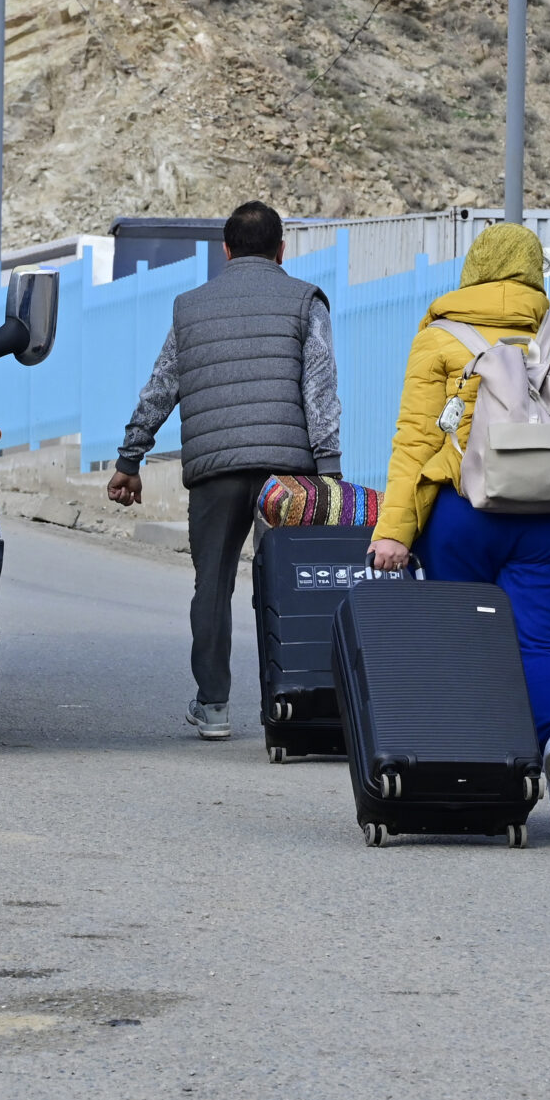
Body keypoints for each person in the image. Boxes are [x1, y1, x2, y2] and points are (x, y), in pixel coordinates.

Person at [366, 224, 550, 840]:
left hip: (465, 516)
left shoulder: (438, 337)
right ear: (536, 271)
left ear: (474, 269)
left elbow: (415, 442)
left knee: (468, 646)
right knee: (542, 646)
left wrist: (394, 533)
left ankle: (476, 772)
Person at [109, 201, 341, 741]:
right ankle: (287, 701)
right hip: (289, 475)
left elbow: (162, 386)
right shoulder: (306, 301)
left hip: (216, 471)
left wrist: (130, 459)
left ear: (226, 250)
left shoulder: (190, 307)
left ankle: (213, 706)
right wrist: (328, 472)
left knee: (211, 585)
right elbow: (322, 389)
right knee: (285, 584)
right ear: (282, 250)